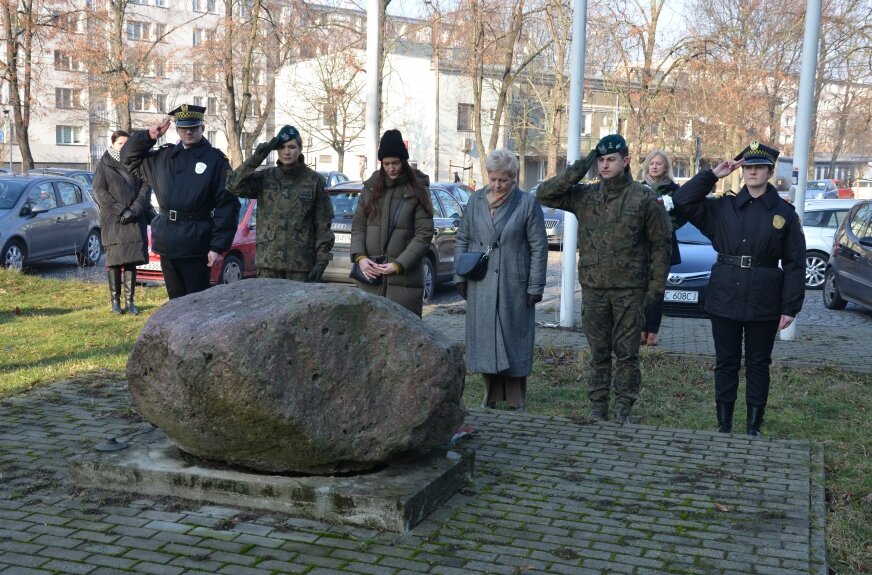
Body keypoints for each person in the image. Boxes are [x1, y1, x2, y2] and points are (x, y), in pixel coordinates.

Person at [537, 134, 672, 424]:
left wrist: (655, 291)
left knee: (626, 355)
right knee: (598, 354)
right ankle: (598, 409)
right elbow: (544, 194)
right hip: (595, 289)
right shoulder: (586, 196)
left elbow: (662, 246)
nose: (605, 165)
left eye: (611, 160)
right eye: (601, 160)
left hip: (630, 291)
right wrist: (583, 164)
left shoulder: (645, 198)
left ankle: (623, 411)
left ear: (626, 161)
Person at [673, 142, 805, 436]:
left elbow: (796, 263)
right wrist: (712, 175)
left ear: (770, 171)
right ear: (741, 170)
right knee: (726, 362)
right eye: (747, 167)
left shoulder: (785, 213)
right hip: (726, 293)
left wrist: (790, 306)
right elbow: (682, 200)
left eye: (758, 167)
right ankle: (724, 425)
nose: (752, 172)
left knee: (758, 364)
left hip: (764, 297)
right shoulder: (723, 206)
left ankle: (753, 427)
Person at [455, 149, 548, 412]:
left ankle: (517, 398)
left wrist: (535, 286)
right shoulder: (475, 200)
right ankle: (490, 394)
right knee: (485, 340)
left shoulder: (527, 204)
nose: (497, 185)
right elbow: (463, 237)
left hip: (513, 284)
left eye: (503, 180)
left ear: (514, 178)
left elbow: (539, 247)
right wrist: (460, 275)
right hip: (481, 282)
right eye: (493, 179)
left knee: (513, 340)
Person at [121, 104, 239, 299]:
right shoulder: (164, 156)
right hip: (168, 239)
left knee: (196, 302)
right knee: (174, 300)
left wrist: (217, 246)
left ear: (202, 128)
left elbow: (228, 204)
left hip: (196, 242)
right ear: (177, 130)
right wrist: (148, 137)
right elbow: (127, 158)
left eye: (193, 128)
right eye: (184, 128)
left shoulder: (215, 161)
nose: (189, 132)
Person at [225, 125, 334, 280]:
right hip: (269, 264)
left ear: (300, 149)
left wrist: (322, 260)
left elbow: (323, 224)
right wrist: (256, 159)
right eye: (281, 147)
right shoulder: (266, 177)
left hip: (301, 265)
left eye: (292, 147)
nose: (287, 152)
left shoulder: (314, 180)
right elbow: (232, 185)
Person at [350, 129, 434, 316]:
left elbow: (424, 235)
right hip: (370, 279)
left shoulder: (418, 190)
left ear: (403, 161)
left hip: (404, 283)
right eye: (386, 164)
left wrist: (398, 264)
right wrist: (360, 258)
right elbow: (358, 226)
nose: (391, 168)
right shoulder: (370, 188)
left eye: (395, 163)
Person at [92, 130, 151, 314]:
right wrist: (121, 210)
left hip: (134, 218)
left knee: (131, 261)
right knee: (115, 262)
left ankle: (130, 302)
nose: (124, 147)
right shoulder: (104, 164)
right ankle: (115, 303)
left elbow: (146, 187)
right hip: (113, 220)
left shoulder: (138, 163)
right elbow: (99, 192)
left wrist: (133, 210)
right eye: (120, 144)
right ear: (113, 145)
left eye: (127, 144)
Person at [640, 149, 686, 346]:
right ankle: (641, 329)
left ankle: (653, 331)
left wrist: (667, 228)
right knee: (641, 289)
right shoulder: (638, 188)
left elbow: (683, 215)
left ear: (666, 166)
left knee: (657, 290)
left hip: (664, 248)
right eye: (652, 163)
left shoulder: (674, 190)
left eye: (659, 163)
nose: (655, 166)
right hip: (640, 248)